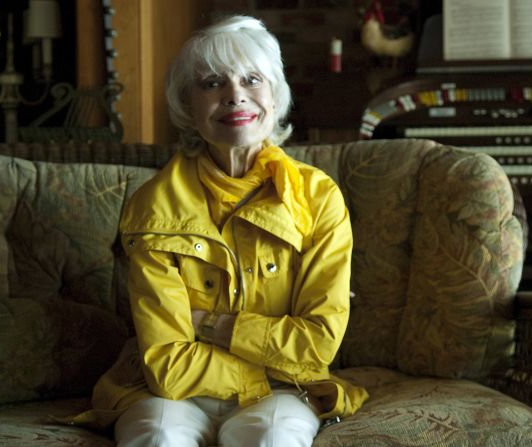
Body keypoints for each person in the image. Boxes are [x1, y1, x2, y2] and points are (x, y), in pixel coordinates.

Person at [75, 15, 368, 447]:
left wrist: (212, 324)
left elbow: (316, 348)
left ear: (275, 96)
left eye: (252, 79)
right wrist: (265, 363)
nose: (235, 96)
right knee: (157, 437)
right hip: (172, 394)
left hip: (282, 395)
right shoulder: (154, 207)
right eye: (212, 83)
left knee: (273, 438)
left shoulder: (317, 198)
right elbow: (168, 366)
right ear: (187, 106)